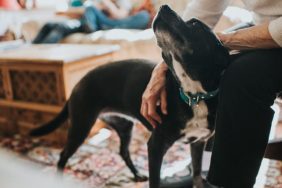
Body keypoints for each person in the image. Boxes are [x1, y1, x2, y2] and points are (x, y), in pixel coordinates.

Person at [141, 0, 282, 187]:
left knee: (241, 75)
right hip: (263, 24)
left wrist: (221, 42)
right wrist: (164, 66)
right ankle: (202, 168)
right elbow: (204, 9)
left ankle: (228, 182)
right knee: (203, 64)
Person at [33, 0, 152, 43]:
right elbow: (83, 12)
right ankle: (31, 49)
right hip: (87, 23)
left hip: (106, 23)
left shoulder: (121, 1)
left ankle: (91, 27)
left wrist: (106, 4)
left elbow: (120, 15)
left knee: (90, 8)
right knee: (51, 25)